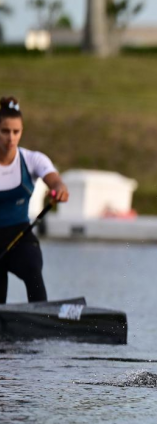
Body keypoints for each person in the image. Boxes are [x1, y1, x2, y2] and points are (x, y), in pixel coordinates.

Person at [0, 96, 69, 304]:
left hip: (20, 235)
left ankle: (41, 319)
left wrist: (59, 189)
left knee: (33, 268)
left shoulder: (32, 159)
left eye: (16, 132)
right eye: (4, 131)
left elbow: (55, 180)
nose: (11, 138)